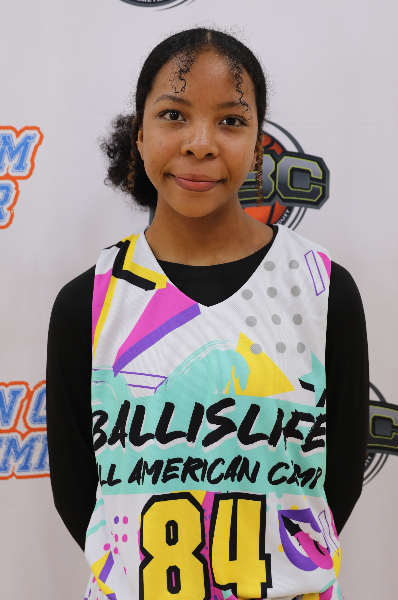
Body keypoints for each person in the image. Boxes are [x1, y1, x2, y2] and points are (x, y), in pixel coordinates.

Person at [46, 28, 369, 600]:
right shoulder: (88, 303)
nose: (200, 143)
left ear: (258, 144)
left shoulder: (323, 292)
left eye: (230, 120)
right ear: (140, 134)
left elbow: (338, 481)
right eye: (174, 115)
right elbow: (78, 493)